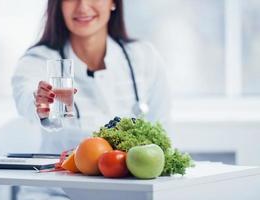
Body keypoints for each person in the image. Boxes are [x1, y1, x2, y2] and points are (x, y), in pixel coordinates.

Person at [11, 0, 170, 199]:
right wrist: (41, 105)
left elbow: (162, 130)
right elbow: (25, 96)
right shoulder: (37, 60)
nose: (83, 6)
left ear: (113, 3)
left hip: (128, 192)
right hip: (57, 192)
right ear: (58, 5)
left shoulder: (144, 56)